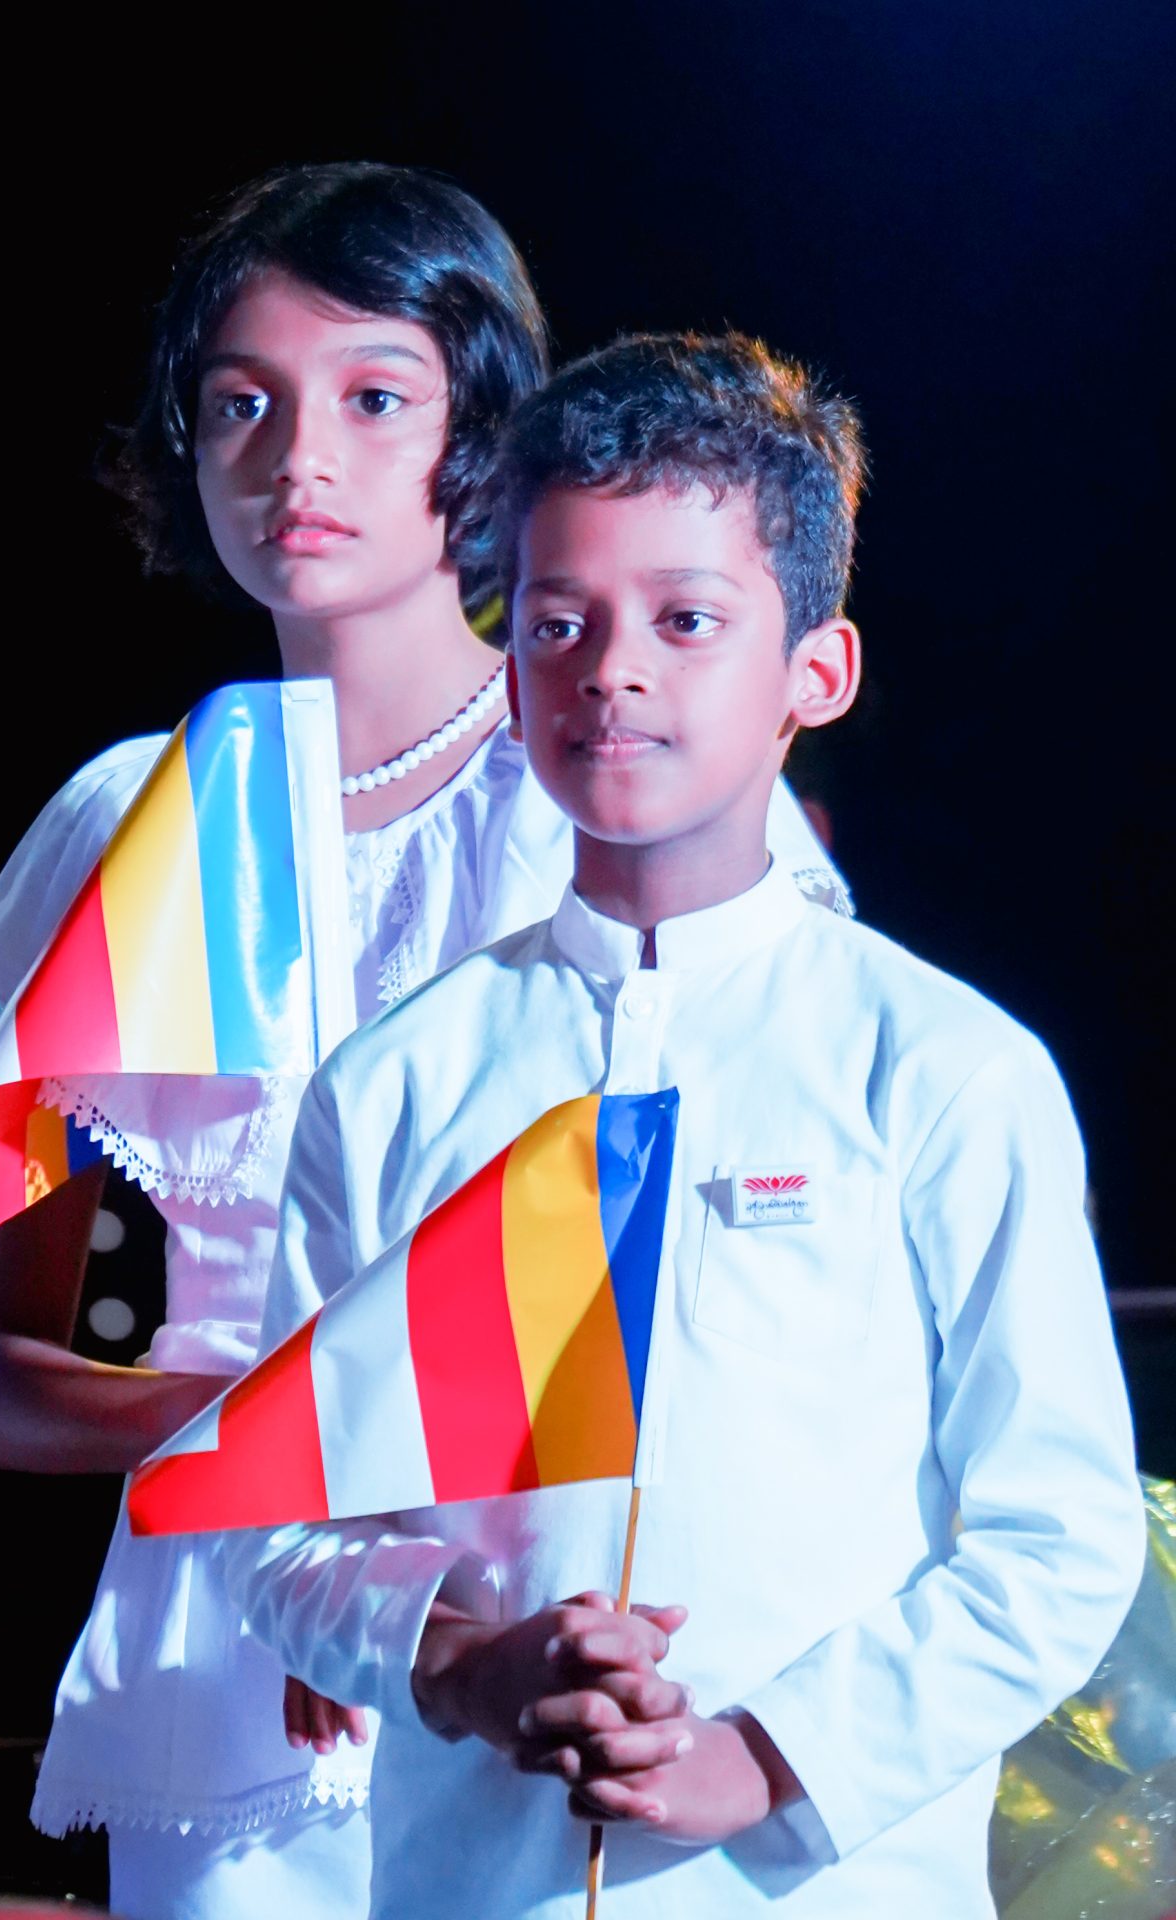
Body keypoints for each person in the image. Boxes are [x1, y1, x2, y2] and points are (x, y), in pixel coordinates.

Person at [0, 170, 847, 1920]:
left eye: (372, 396)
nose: (297, 459)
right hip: (228, 1690)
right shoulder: (128, 824)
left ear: (484, 440)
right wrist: (308, 1462)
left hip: (597, 1650)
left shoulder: (622, 781)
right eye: (238, 402)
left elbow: (793, 1259)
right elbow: (3, 1379)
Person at [224, 331, 1146, 1917]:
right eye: (560, 620)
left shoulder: (936, 1069)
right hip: (469, 1880)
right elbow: (286, 1535)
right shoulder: (393, 1088)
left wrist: (767, 1755)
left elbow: (1055, 1539)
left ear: (817, 673)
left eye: (688, 620)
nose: (612, 668)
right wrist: (462, 1667)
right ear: (507, 666)